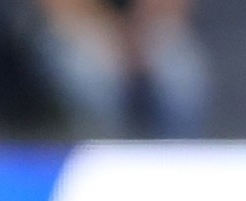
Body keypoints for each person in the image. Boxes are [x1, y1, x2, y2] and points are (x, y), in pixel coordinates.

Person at [31, 0, 208, 138]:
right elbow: (62, 8)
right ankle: (101, 158)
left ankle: (177, 162)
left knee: (181, 75)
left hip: (145, 25)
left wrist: (140, 36)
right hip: (79, 24)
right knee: (90, 73)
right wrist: (113, 39)